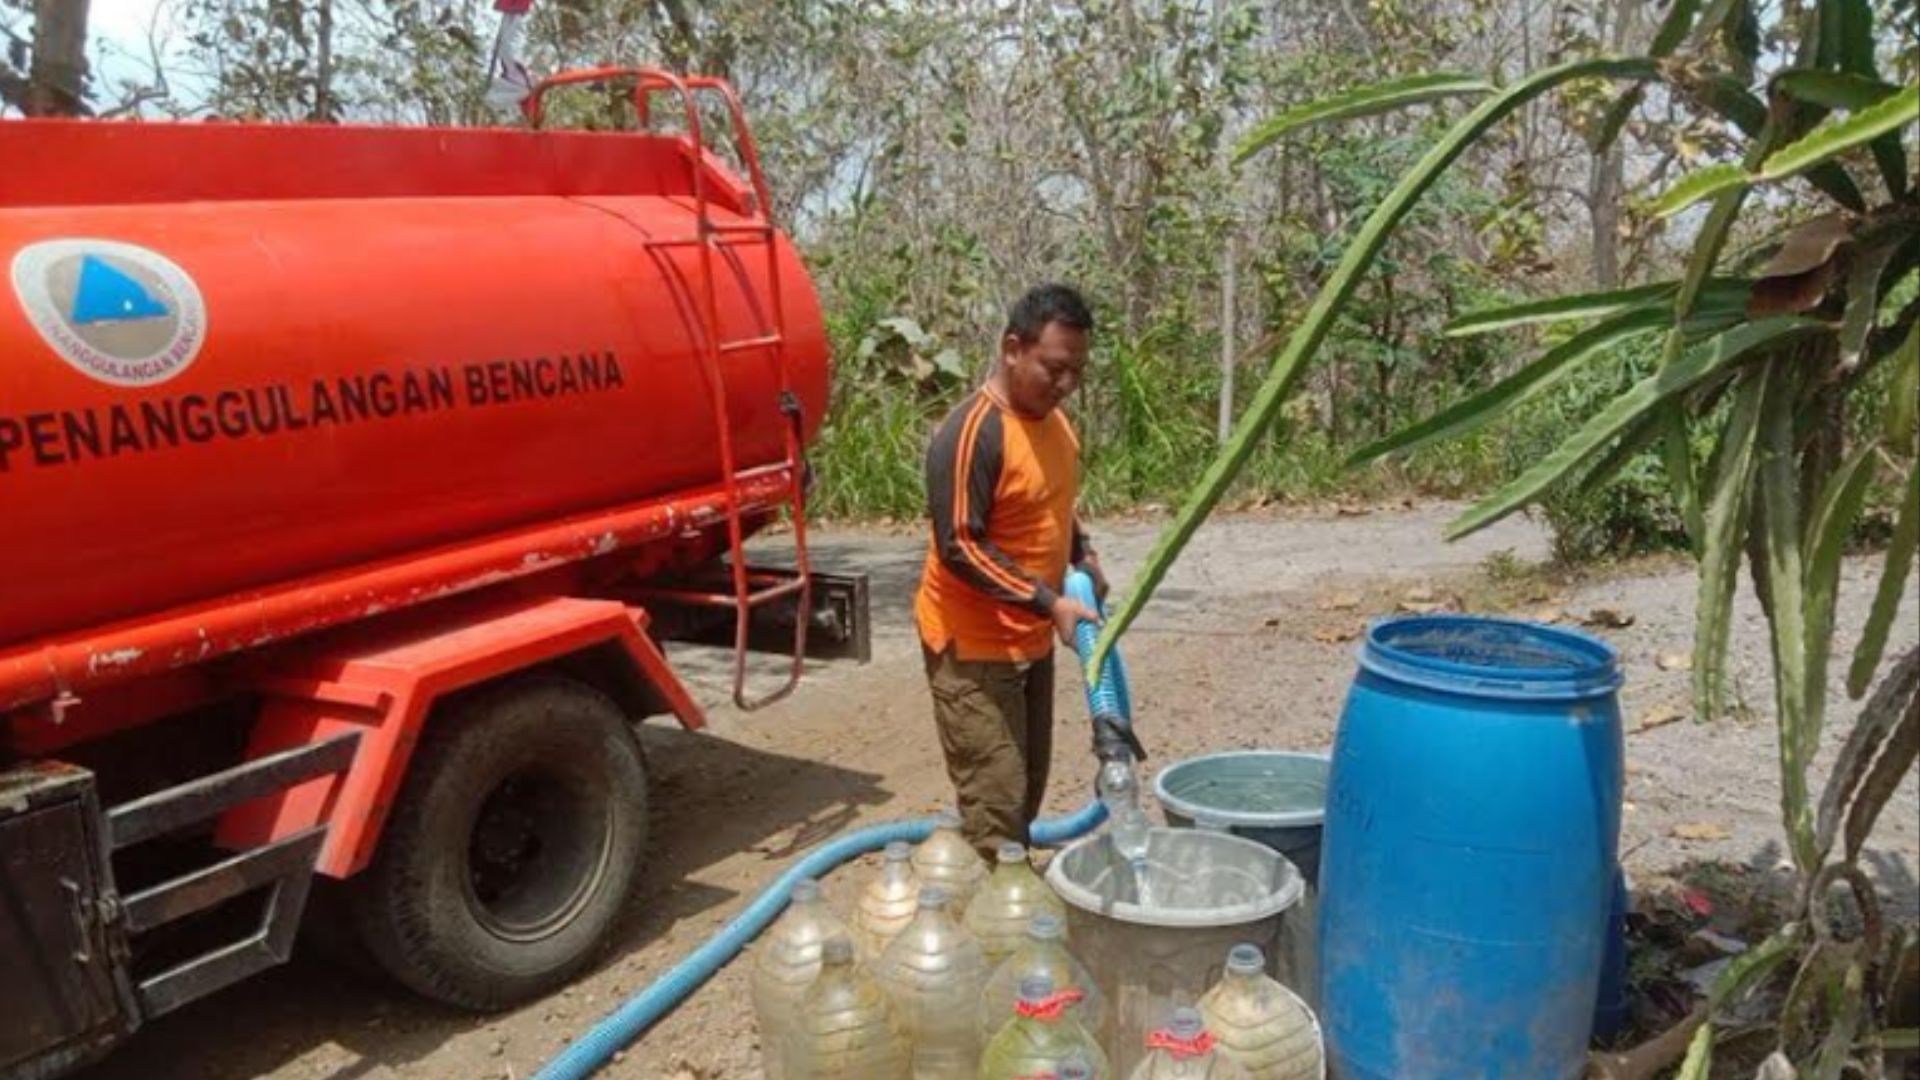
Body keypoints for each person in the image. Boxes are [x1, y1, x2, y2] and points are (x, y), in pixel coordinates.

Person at [914, 283, 1106, 857]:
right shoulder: (973, 433)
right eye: (1053, 368)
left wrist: (1083, 555)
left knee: (1025, 789)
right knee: (996, 804)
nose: (1066, 384)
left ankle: (1006, 898)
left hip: (1030, 639)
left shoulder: (1055, 423)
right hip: (972, 648)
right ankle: (992, 928)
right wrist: (1053, 604)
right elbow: (960, 546)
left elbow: (1051, 503)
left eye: (1076, 370)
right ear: (1012, 348)